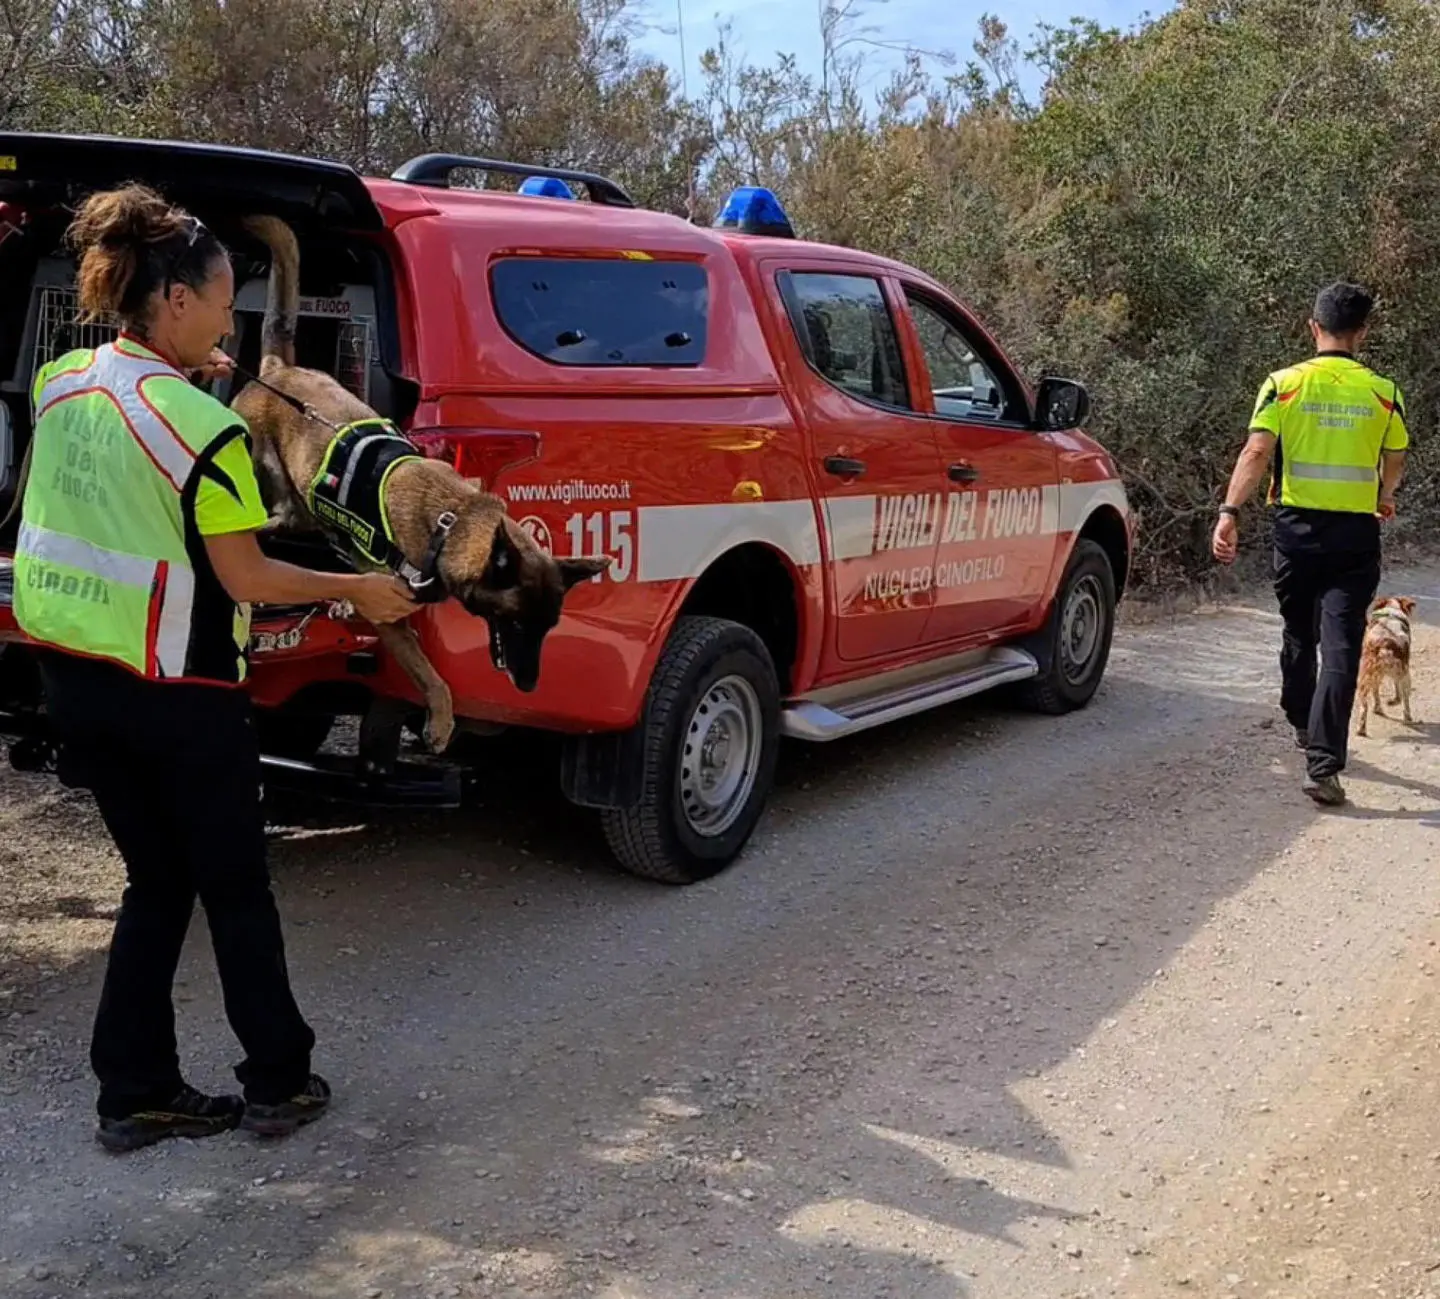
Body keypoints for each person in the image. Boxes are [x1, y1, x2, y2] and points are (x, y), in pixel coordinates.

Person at [13, 184, 418, 1152]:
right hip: (180, 700)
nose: (231, 319)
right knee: (235, 889)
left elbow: (125, 455)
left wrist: (184, 379)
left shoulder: (60, 383)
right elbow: (244, 575)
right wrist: (354, 592)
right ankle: (279, 1081)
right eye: (223, 301)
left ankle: (134, 1093)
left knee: (156, 883)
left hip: (74, 685)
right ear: (178, 303)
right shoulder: (212, 434)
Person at [1212, 282, 1408, 807]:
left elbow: (1257, 451)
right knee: (1342, 644)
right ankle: (1323, 766)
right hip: (1355, 533)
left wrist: (1229, 512)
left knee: (1299, 633)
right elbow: (1395, 455)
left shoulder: (1284, 384)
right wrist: (1384, 496)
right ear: (1362, 333)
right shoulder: (1384, 391)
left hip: (1296, 530)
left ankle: (1302, 720)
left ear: (1312, 326)